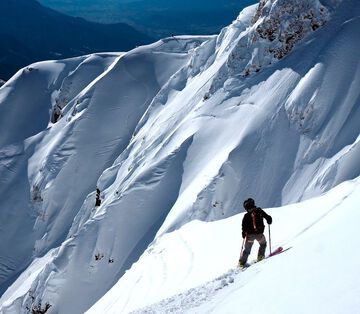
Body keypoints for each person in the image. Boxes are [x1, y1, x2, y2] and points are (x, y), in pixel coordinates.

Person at [239, 198, 272, 268]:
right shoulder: (259, 211)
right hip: (259, 234)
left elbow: (243, 226)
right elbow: (268, 217)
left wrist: (243, 233)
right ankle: (260, 257)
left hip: (249, 236)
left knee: (247, 249)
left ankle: (242, 263)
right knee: (263, 244)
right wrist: (269, 220)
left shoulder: (246, 216)